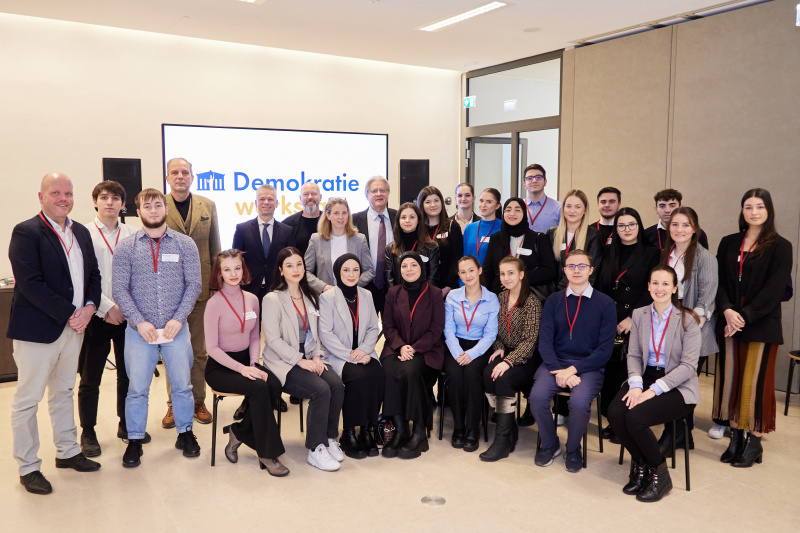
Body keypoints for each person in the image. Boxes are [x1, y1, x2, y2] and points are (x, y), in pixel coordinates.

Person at [8, 172, 102, 495]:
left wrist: (90, 307)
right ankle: (28, 467)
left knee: (63, 391)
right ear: (41, 196)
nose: (63, 198)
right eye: (56, 192)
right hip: (38, 331)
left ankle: (67, 451)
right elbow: (30, 283)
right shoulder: (26, 232)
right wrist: (71, 314)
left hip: (75, 328)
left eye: (68, 193)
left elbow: (93, 274)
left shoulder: (81, 233)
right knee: (28, 400)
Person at [113, 189, 203, 468]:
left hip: (176, 330)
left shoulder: (185, 244)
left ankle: (186, 433)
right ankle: (135, 439)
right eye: (147, 206)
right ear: (137, 212)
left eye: (158, 205)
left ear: (165, 209)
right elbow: (119, 289)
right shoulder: (126, 247)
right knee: (137, 389)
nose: (153, 210)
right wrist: (140, 321)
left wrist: (178, 319)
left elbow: (194, 285)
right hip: (140, 332)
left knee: (182, 386)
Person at [713, 188, 793, 468]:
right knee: (731, 381)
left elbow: (774, 290)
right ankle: (735, 438)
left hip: (760, 321)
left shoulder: (781, 246)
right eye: (748, 206)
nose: (754, 212)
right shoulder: (728, 242)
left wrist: (742, 315)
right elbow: (719, 282)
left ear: (768, 210)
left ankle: (754, 443)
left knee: (755, 385)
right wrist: (726, 311)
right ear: (742, 210)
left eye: (760, 206)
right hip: (729, 319)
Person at [608, 265, 701, 502]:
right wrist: (637, 385)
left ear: (674, 288)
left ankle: (659, 473)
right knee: (616, 413)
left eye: (665, 284)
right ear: (648, 286)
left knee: (635, 418)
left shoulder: (688, 320)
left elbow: (688, 367)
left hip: (677, 385)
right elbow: (634, 355)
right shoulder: (640, 314)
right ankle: (641, 466)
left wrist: (652, 392)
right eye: (655, 283)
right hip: (645, 375)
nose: (660, 288)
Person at [203, 250, 288, 476]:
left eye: (237, 268)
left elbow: (253, 337)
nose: (233, 274)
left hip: (246, 361)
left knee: (274, 384)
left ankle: (238, 432)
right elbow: (211, 348)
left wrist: (253, 363)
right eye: (227, 269)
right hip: (221, 367)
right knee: (259, 388)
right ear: (219, 274)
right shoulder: (214, 304)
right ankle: (267, 453)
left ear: (244, 270)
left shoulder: (252, 299)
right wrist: (243, 369)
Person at [532, 249, 616, 473]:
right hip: (555, 363)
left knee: (579, 403)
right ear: (564, 270)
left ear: (591, 270)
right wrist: (560, 370)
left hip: (589, 366)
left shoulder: (606, 303)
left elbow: (605, 349)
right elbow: (545, 343)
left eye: (582, 266)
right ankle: (550, 445)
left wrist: (573, 370)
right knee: (537, 397)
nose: (576, 270)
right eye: (571, 266)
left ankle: (573, 449)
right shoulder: (553, 300)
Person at [261, 248, 345, 472]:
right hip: (282, 361)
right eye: (289, 265)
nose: (295, 269)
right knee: (320, 390)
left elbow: (315, 333)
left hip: (308, 354)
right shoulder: (272, 299)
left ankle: (328, 439)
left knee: (336, 385)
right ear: (280, 270)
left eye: (299, 264)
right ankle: (315, 449)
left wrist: (316, 356)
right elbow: (273, 340)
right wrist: (301, 360)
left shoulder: (311, 296)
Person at [78, 181, 142, 458]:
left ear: (122, 204)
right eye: (104, 197)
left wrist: (125, 307)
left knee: (127, 375)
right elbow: (82, 276)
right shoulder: (83, 233)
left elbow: (140, 275)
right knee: (91, 377)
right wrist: (107, 307)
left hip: (128, 315)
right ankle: (88, 431)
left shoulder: (133, 233)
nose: (109, 202)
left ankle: (125, 424)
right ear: (95, 202)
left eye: (115, 198)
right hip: (96, 315)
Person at [163, 157, 220, 427]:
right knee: (173, 351)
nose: (180, 176)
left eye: (185, 172)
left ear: (192, 177)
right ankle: (174, 404)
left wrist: (215, 287)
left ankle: (198, 400)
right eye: (175, 172)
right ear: (167, 178)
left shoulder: (208, 206)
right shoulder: (158, 205)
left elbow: (215, 248)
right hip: (169, 294)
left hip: (201, 292)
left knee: (198, 352)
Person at [656, 206, 718, 453]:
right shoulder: (665, 254)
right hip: (667, 328)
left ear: (694, 229)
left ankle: (674, 434)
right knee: (669, 382)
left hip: (694, 331)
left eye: (685, 225)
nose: (679, 230)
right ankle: (681, 434)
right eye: (674, 224)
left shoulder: (705, 258)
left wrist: (687, 327)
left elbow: (706, 301)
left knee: (684, 384)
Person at [595, 208, 659, 443]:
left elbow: (651, 289)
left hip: (636, 319)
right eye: (621, 226)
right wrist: (607, 316)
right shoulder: (608, 250)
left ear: (639, 226)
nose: (627, 230)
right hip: (609, 318)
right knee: (610, 372)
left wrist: (633, 317)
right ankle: (612, 419)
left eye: (631, 225)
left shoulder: (652, 253)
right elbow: (601, 285)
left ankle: (625, 419)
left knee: (628, 371)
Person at [318, 254, 384, 459]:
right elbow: (325, 334)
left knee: (376, 374)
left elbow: (374, 327)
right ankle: (348, 432)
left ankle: (366, 429)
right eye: (346, 270)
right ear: (338, 272)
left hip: (364, 352)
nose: (351, 274)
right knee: (357, 377)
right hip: (339, 354)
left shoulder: (366, 294)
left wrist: (364, 350)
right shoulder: (327, 297)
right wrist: (351, 355)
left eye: (355, 269)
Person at [380, 252, 445, 459]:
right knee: (389, 369)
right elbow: (388, 326)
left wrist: (414, 348)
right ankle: (400, 429)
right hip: (396, 347)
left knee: (410, 371)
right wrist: (400, 346)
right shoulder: (392, 293)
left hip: (426, 349)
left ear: (422, 268)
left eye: (413, 265)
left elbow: (436, 329)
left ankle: (419, 433)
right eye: (404, 266)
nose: (409, 269)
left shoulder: (434, 293)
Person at [479, 256, 542, 462]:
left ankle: (502, 440)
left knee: (503, 379)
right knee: (488, 374)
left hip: (526, 357)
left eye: (511, 273)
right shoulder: (500, 297)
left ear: (522, 274)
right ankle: (510, 426)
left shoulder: (532, 302)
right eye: (503, 273)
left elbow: (529, 342)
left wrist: (508, 362)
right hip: (504, 351)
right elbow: (493, 330)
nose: (506, 277)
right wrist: (498, 349)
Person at [443, 256, 500, 451]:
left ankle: (472, 429)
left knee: (473, 375)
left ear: (480, 270)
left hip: (480, 346)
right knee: (455, 374)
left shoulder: (492, 299)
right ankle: (458, 427)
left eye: (471, 270)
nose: (468, 275)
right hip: (455, 344)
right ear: (458, 275)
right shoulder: (452, 296)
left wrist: (472, 354)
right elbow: (448, 330)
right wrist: (459, 353)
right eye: (463, 272)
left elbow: (491, 334)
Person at [232, 184, 295, 306]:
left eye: (270, 199)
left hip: (278, 290)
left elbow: (290, 262)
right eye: (262, 199)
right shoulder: (242, 229)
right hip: (249, 290)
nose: (266, 202)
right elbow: (235, 261)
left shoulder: (287, 231)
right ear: (256, 203)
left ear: (277, 203)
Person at [483, 197, 556, 298]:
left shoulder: (538, 239)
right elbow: (488, 271)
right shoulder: (495, 238)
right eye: (508, 210)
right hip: (499, 297)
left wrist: (519, 278)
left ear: (524, 213)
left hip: (528, 297)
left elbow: (549, 271)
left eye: (517, 210)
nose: (512, 213)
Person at [305, 198, 374, 293]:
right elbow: (306, 272)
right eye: (336, 213)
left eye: (344, 213)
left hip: (351, 296)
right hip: (325, 297)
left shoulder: (360, 239)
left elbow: (369, 271)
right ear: (328, 215)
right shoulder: (316, 239)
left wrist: (351, 285)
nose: (341, 217)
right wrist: (323, 287)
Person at [352, 176, 396, 315]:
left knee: (393, 330)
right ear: (367, 195)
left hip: (393, 286)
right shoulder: (354, 220)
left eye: (382, 190)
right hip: (364, 286)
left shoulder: (399, 217)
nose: (379, 194)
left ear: (388, 193)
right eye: (374, 191)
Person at [546, 190, 602, 290]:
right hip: (553, 295)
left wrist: (564, 290)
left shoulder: (593, 235)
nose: (572, 211)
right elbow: (548, 268)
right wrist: (554, 294)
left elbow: (592, 273)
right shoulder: (552, 233)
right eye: (568, 206)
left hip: (580, 293)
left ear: (584, 210)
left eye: (577, 207)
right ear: (563, 208)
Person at [385, 202, 440, 288]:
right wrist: (398, 296)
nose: (407, 220)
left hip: (425, 296)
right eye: (403, 217)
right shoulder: (390, 249)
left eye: (412, 217)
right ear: (398, 221)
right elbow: (389, 280)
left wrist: (424, 296)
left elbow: (433, 277)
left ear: (418, 220)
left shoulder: (431, 247)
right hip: (398, 298)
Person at [417, 186, 462, 289]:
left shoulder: (452, 226)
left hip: (446, 288)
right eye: (428, 202)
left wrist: (447, 288)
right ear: (421, 204)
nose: (433, 205)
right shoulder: (417, 228)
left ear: (441, 202)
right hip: (422, 287)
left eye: (436, 201)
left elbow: (456, 260)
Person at [644, 189, 709, 250]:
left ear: (680, 208)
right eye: (662, 206)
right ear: (656, 210)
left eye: (672, 206)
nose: (667, 210)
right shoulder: (646, 235)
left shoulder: (697, 234)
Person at [463, 188, 502, 266]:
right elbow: (464, 257)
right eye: (481, 201)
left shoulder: (502, 227)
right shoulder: (469, 228)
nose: (483, 205)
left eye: (489, 202)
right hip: (470, 276)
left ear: (497, 206)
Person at [281, 181, 323, 256]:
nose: (310, 197)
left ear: (320, 197)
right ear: (300, 198)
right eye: (306, 194)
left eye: (314, 194)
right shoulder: (288, 224)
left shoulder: (331, 221)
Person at [522, 163, 561, 234]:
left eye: (538, 177)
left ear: (545, 182)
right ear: (524, 184)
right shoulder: (518, 207)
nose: (534, 181)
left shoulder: (558, 208)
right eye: (529, 178)